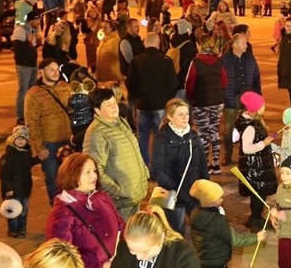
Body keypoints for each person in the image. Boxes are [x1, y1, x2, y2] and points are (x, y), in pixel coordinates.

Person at [84, 87, 150, 221]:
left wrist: (144, 172)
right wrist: (118, 191)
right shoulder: (97, 133)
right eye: (108, 105)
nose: (114, 107)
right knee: (121, 238)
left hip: (134, 193)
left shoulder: (121, 122)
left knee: (133, 235)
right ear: (97, 110)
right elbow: (95, 170)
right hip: (120, 200)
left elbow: (134, 151)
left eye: (114, 102)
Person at [149, 98, 209, 234]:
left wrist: (206, 187)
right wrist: (173, 186)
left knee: (202, 229)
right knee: (177, 231)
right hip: (173, 194)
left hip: (193, 192)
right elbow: (156, 170)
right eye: (180, 114)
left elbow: (202, 164)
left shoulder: (193, 136)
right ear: (170, 117)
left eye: (187, 113)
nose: (185, 117)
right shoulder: (161, 138)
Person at [25, 59, 75, 204]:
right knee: (53, 179)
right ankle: (57, 210)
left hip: (69, 141)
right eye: (51, 69)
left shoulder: (65, 87)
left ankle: (72, 209)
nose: (55, 72)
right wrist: (38, 148)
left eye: (56, 69)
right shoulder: (33, 94)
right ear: (41, 72)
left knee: (71, 178)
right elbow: (31, 123)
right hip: (50, 145)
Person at [126, 32, 179, 165]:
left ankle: (145, 166)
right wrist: (167, 98)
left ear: (145, 43)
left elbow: (130, 82)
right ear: (158, 44)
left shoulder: (136, 61)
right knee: (159, 138)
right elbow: (173, 83)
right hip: (160, 105)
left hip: (142, 105)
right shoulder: (166, 61)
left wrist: (136, 97)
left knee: (142, 137)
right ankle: (158, 167)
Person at [234, 91, 277, 231]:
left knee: (259, 195)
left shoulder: (254, 123)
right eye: (262, 105)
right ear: (254, 109)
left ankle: (256, 218)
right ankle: (255, 220)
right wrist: (263, 144)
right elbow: (246, 148)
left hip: (259, 165)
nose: (265, 107)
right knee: (259, 195)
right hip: (255, 167)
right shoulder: (250, 127)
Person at [185, 38, 227, 175]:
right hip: (217, 101)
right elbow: (225, 81)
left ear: (200, 46)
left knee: (203, 133)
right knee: (214, 131)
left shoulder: (196, 62)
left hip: (201, 102)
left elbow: (189, 83)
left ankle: (205, 165)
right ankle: (216, 164)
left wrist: (191, 96)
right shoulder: (219, 62)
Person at [222, 33, 262, 165]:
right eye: (243, 43)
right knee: (228, 129)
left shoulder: (249, 57)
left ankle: (245, 154)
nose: (246, 45)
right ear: (235, 45)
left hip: (248, 98)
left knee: (248, 127)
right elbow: (220, 80)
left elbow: (256, 77)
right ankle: (227, 154)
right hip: (231, 98)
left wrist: (257, 95)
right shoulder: (225, 59)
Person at [0, 125, 35, 238]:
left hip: (24, 188)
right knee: (13, 211)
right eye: (18, 138)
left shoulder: (27, 153)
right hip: (13, 190)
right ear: (13, 139)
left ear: (27, 141)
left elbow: (29, 164)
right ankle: (12, 229)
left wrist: (40, 159)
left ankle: (22, 228)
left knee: (24, 211)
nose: (20, 141)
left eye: (23, 138)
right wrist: (8, 189)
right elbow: (4, 175)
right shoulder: (8, 156)